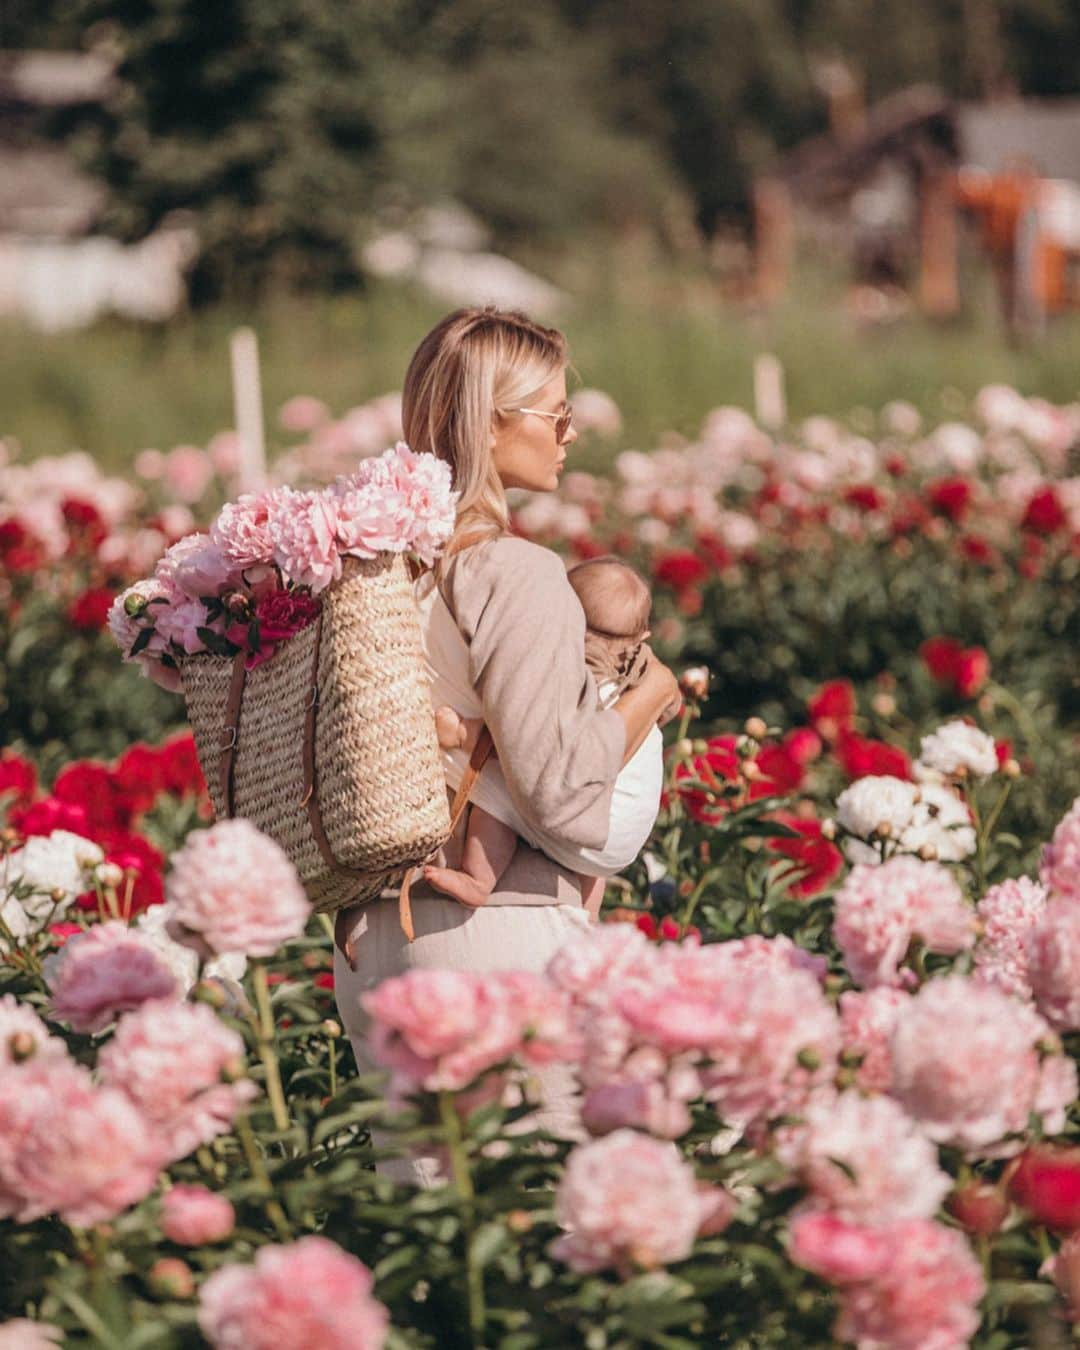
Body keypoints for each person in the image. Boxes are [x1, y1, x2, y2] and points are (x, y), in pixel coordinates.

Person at [332, 307, 681, 1186]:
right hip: (495, 940)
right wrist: (650, 696)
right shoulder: (513, 572)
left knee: (431, 1278)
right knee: (538, 1259)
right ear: (494, 423)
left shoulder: (370, 573)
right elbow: (562, 798)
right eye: (556, 415)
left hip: (371, 940)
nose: (571, 435)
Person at [425, 555, 664, 917]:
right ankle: (585, 913)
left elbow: (528, 744)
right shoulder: (638, 679)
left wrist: (464, 732)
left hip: (578, 820)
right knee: (590, 842)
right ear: (642, 637)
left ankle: (477, 879)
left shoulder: (571, 679)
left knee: (497, 785)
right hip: (624, 839)